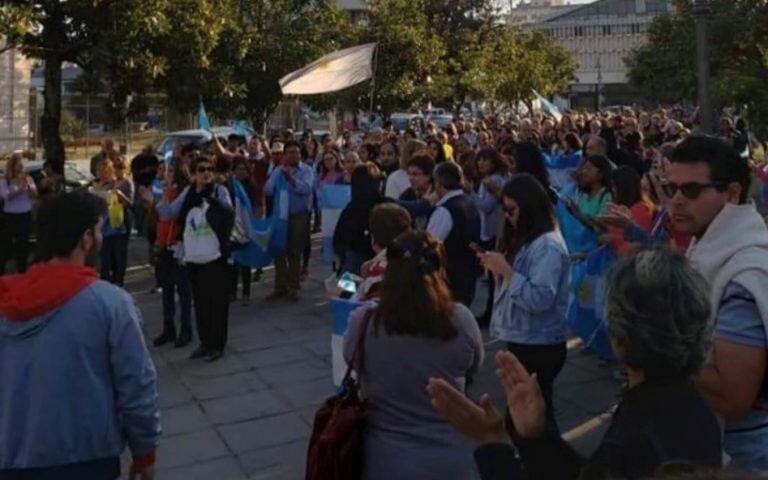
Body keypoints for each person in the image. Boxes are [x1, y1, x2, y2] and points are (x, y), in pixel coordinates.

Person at [428, 248, 722, 480]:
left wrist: (492, 442)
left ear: (619, 336)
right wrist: (536, 437)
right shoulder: (694, 407)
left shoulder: (633, 442)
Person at [0, 190, 160, 479]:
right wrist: (144, 452)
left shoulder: (5, 301)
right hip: (88, 460)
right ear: (86, 239)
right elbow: (136, 386)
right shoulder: (110, 304)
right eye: (99, 230)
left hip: (12, 460)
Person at [661, 136, 768, 470]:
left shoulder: (743, 274)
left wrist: (654, 345)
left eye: (691, 190)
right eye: (670, 188)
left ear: (732, 194)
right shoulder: (710, 247)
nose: (676, 200)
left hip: (745, 457)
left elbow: (733, 396)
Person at [343, 231, 484, 480]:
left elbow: (350, 359)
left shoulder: (363, 323)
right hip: (450, 459)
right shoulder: (461, 319)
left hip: (384, 459)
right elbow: (473, 367)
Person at [478, 173, 570, 432]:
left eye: (511, 210)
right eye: (504, 210)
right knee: (527, 418)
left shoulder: (547, 246)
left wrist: (507, 271)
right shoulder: (530, 240)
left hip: (540, 343)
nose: (507, 217)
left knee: (532, 421)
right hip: (526, 337)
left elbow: (540, 298)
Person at [153, 156, 233, 362]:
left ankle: (217, 344)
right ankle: (205, 343)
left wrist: (211, 203)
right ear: (194, 173)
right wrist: (161, 195)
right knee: (200, 301)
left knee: (216, 303)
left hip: (215, 256)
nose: (206, 172)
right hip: (194, 255)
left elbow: (229, 214)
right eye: (201, 169)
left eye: (210, 169)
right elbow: (169, 213)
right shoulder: (189, 192)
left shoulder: (219, 191)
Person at [143, 159, 193, 349]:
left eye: (171, 171)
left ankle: (186, 329)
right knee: (167, 289)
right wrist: (150, 204)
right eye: (165, 171)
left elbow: (173, 216)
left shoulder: (184, 192)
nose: (167, 174)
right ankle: (168, 328)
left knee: (183, 291)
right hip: (163, 244)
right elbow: (158, 218)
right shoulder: (164, 190)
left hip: (178, 245)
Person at [427, 162, 481, 307]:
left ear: (438, 183)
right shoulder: (469, 202)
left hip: (451, 281)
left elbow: (430, 244)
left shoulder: (445, 211)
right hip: (468, 277)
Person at [264, 140, 313, 302]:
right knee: (279, 251)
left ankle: (294, 287)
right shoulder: (279, 170)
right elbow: (268, 190)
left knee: (294, 251)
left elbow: (306, 189)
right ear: (285, 155)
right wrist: (278, 174)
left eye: (297, 152)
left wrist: (290, 179)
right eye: (290, 152)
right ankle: (280, 286)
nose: (294, 155)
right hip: (281, 217)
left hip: (298, 215)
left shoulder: (306, 170)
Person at [473, 148, 511, 327]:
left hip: (495, 232)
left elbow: (486, 206)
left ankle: (491, 313)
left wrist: (469, 193)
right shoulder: (492, 179)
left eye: (485, 160)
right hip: (491, 230)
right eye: (479, 160)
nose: (481, 163)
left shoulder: (494, 180)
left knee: (493, 275)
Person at [333, 163, 384, 276]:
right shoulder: (385, 205)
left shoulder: (350, 209)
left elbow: (338, 239)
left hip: (354, 259)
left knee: (346, 291)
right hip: (375, 259)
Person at [354, 203, 412, 301]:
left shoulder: (379, 269)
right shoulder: (417, 260)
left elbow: (363, 308)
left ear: (373, 238)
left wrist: (342, 286)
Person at [90, 157, 132, 286]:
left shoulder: (117, 184)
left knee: (118, 259)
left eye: (105, 170)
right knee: (104, 261)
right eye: (99, 171)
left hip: (116, 226)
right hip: (102, 228)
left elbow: (127, 203)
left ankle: (118, 282)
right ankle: (106, 284)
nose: (102, 173)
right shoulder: (95, 184)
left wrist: (116, 194)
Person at [0, 152, 36, 275]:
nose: (21, 166)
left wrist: (28, 187)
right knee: (6, 243)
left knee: (23, 244)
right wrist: (21, 189)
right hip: (10, 216)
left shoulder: (28, 179)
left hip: (24, 215)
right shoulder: (5, 181)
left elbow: (34, 195)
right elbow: (6, 196)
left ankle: (22, 270)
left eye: (21, 163)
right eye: (18, 164)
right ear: (12, 166)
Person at [398, 154, 435, 229]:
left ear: (428, 175)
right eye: (409, 174)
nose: (410, 178)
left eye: (415, 174)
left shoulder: (437, 194)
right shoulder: (407, 195)